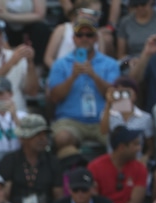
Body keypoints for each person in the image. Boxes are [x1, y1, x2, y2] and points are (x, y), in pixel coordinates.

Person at [46, 11, 120, 157]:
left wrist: (93, 75)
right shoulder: (60, 64)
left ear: (96, 38)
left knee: (120, 140)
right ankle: (72, 172)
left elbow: (116, 96)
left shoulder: (110, 64)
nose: (84, 39)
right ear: (74, 39)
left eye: (89, 35)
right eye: (80, 35)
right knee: (62, 138)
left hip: (103, 120)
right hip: (70, 121)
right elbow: (54, 97)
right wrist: (72, 77)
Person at [0, 114, 63, 203]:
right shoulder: (9, 161)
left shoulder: (53, 162)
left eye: (45, 135)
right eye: (37, 135)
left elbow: (59, 197)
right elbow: (3, 196)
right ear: (24, 138)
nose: (42, 139)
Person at [87, 125, 147, 203]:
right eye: (135, 144)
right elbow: (94, 199)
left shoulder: (140, 168)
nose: (139, 148)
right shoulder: (95, 167)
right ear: (122, 147)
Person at [99, 77, 154, 163]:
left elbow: (151, 146)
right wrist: (109, 104)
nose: (123, 96)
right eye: (119, 93)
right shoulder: (107, 113)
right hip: (114, 162)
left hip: (136, 162)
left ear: (135, 95)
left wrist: (145, 157)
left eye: (127, 93)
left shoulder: (145, 117)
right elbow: (103, 131)